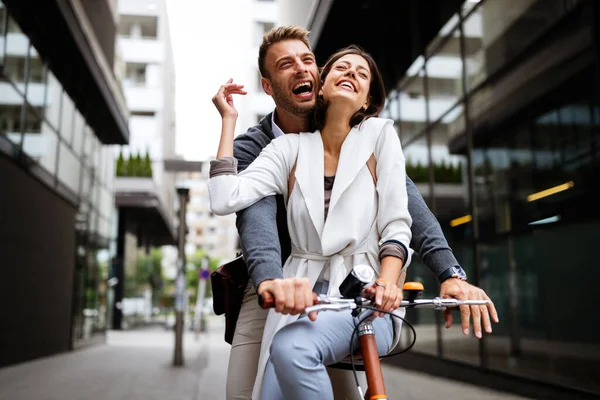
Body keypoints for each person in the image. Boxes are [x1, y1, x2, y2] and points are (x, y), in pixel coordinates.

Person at [215, 26, 498, 400]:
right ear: (268, 86)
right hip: (277, 281)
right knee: (246, 391)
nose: (301, 69)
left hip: (351, 287)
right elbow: (257, 222)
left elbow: (406, 208)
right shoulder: (264, 146)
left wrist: (448, 272)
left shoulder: (369, 134)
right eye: (286, 64)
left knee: (316, 367)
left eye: (308, 60)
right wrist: (270, 282)